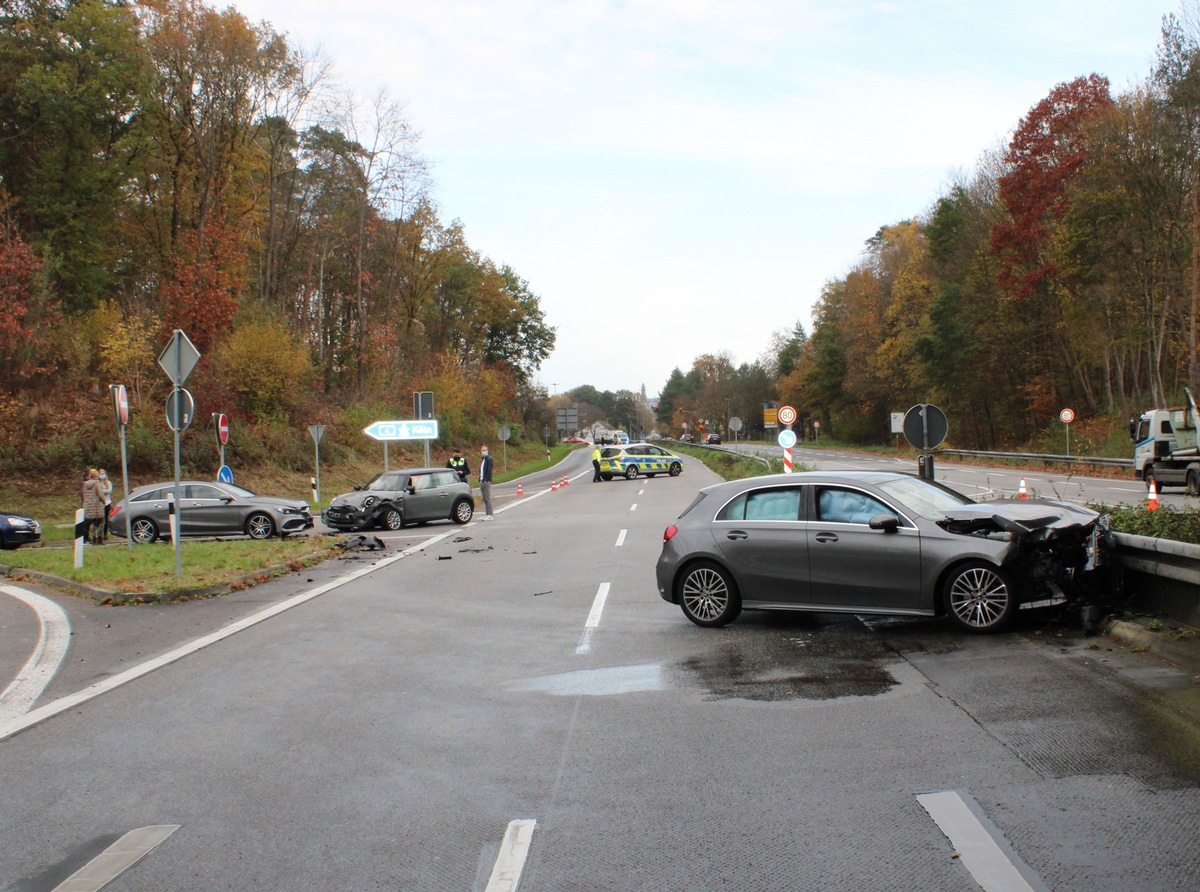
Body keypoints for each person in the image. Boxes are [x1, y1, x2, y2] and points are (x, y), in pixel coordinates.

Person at [81, 468, 106, 545]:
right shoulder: (97, 483)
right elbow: (101, 494)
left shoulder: (85, 484)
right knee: (100, 523)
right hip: (97, 506)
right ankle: (99, 539)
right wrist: (104, 501)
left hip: (88, 506)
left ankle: (93, 538)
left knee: (92, 523)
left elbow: (83, 495)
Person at [479, 444, 494, 519]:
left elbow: (489, 471)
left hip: (486, 481)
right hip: (482, 480)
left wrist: (485, 480)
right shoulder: (483, 459)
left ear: (487, 451)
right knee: (484, 498)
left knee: (487, 497)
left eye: (485, 450)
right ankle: (486, 513)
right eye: (482, 450)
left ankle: (490, 514)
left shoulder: (489, 459)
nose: (484, 452)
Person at [98, 468, 113, 542]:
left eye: (102, 474)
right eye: (100, 474)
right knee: (100, 519)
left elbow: (109, 491)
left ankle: (105, 534)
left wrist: (101, 491)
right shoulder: (97, 483)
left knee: (106, 519)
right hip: (100, 503)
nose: (101, 475)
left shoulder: (108, 482)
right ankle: (99, 534)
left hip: (107, 502)